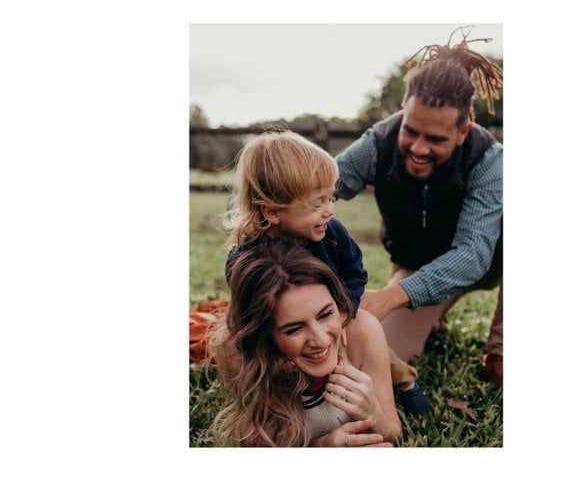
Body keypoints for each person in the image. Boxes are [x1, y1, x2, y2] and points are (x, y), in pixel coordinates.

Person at [334, 32, 504, 389]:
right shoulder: (377, 143)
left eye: (436, 139)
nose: (418, 148)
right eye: (410, 131)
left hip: (490, 261)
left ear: (463, 132)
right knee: (374, 352)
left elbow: (473, 255)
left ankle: (500, 354)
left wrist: (390, 298)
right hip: (417, 264)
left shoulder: (489, 159)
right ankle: (432, 309)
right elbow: (321, 184)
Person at [222, 130, 430, 415]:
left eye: (330, 198)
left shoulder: (331, 233)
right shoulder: (245, 258)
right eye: (317, 203)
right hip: (282, 330)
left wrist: (344, 313)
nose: (329, 210)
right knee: (231, 344)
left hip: (331, 315)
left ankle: (406, 382)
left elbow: (355, 273)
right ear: (272, 211)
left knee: (363, 331)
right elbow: (245, 312)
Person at [209, 240, 401, 447]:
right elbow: (263, 443)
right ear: (263, 335)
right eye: (294, 329)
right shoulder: (238, 351)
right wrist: (322, 445)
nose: (321, 340)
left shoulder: (363, 331)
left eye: (326, 314)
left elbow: (394, 434)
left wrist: (374, 414)